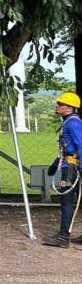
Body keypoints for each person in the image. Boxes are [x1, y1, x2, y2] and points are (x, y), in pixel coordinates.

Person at [42, 92, 82, 248]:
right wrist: (54, 165)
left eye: (61, 104)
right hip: (68, 165)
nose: (57, 105)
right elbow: (67, 149)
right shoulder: (69, 122)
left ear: (70, 108)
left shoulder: (73, 123)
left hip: (71, 169)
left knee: (66, 202)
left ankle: (64, 237)